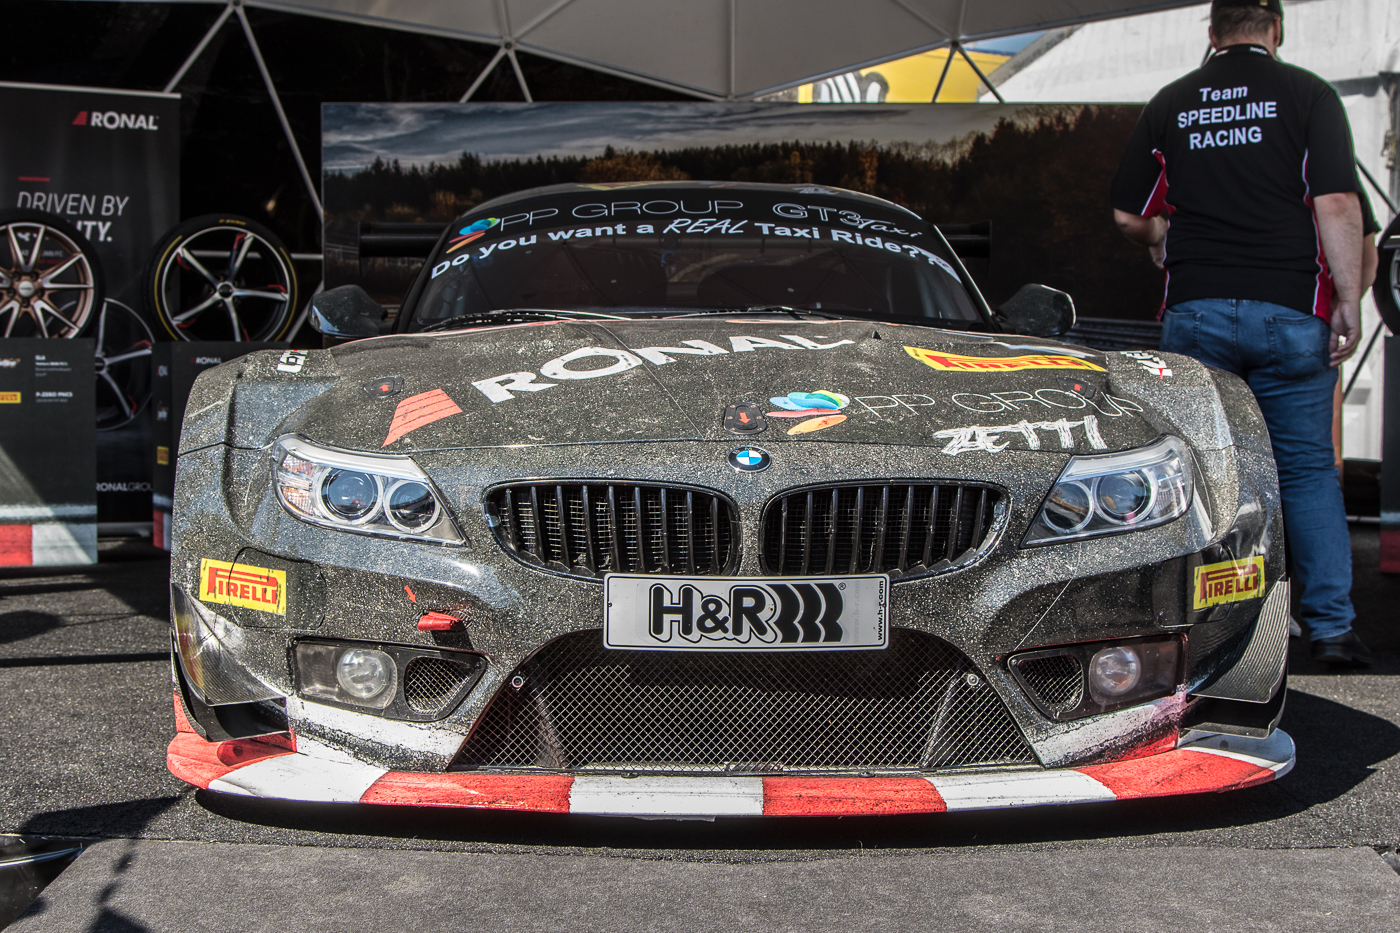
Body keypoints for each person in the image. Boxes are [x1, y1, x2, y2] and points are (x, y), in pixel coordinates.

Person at [1110, 0, 1370, 665]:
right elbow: (1338, 203)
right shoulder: (1308, 94)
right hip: (1290, 309)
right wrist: (1347, 299)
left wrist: (1163, 234)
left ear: (1213, 32)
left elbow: (1129, 215)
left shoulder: (1173, 100)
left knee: (1204, 470)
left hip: (1196, 311)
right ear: (1276, 29)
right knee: (1306, 469)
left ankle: (1211, 629)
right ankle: (1332, 628)